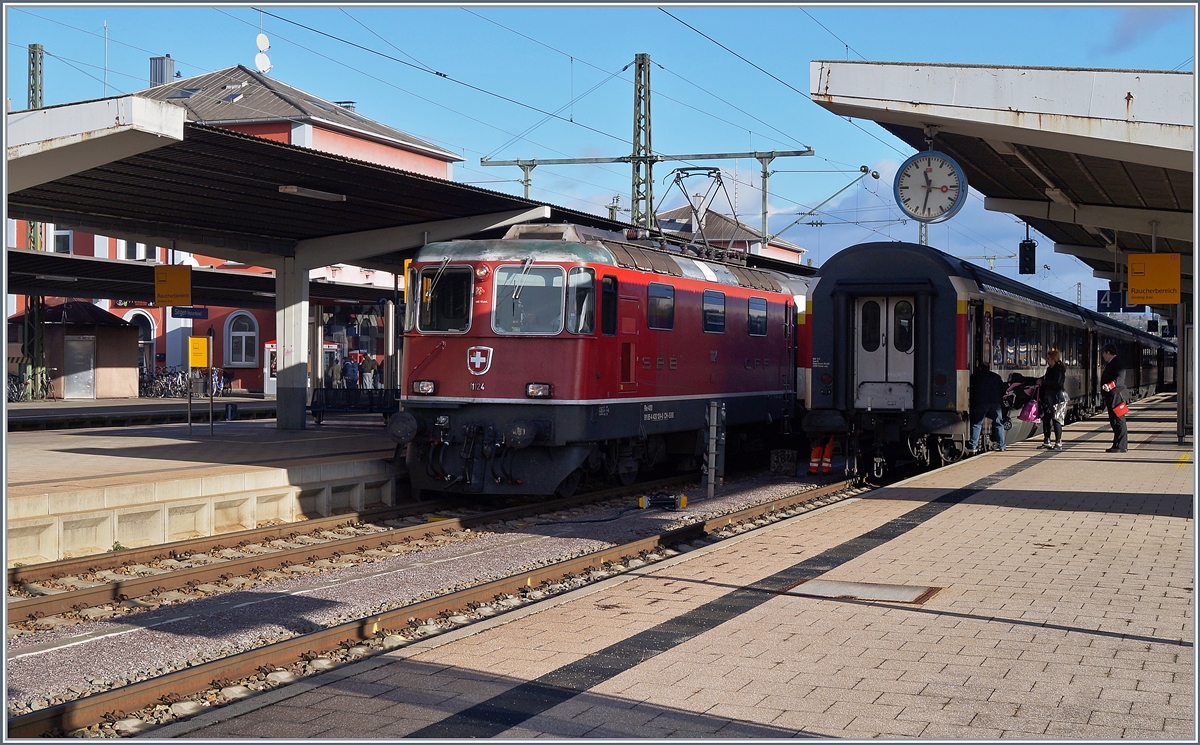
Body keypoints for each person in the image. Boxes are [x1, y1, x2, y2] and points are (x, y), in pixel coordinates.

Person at [968, 359, 1007, 452]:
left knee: (977, 424)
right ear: (989, 368)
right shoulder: (996, 376)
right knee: (999, 424)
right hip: (995, 404)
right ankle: (1002, 446)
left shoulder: (974, 376)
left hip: (981, 403)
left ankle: (973, 445)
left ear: (980, 368)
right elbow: (1004, 390)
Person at [1100, 344, 1128, 453]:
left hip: (1117, 396)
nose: (1102, 356)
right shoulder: (1112, 363)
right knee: (1114, 421)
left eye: (1103, 353)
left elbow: (1120, 377)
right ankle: (1117, 444)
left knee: (1119, 420)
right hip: (1112, 395)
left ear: (1108, 353)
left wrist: (1110, 385)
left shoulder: (1117, 363)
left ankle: (1122, 446)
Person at [1038, 349, 1067, 449]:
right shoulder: (1049, 369)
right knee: (1046, 419)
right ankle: (1047, 441)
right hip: (1048, 398)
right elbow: (1046, 379)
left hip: (1057, 399)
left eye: (1049, 358)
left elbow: (1057, 383)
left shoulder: (1059, 370)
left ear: (1054, 359)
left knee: (1056, 420)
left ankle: (1058, 442)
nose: (1047, 360)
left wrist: (1043, 382)